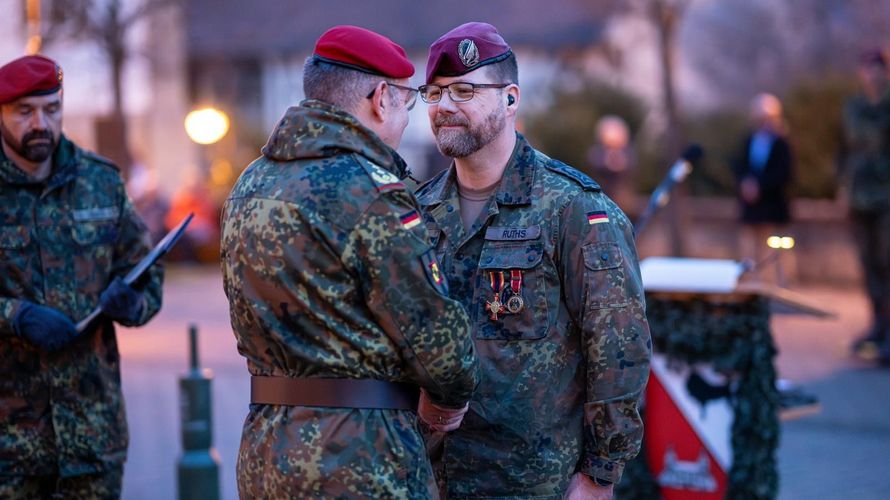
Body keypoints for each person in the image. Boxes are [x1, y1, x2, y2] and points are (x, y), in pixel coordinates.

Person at [219, 26, 480, 499]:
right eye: (408, 102)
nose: (405, 120)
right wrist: (448, 400)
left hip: (267, 451)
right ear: (382, 98)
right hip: (360, 459)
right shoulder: (370, 190)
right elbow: (438, 344)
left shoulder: (251, 184)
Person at [415, 22, 652, 499]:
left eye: (464, 90)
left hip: (539, 484)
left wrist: (599, 475)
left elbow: (618, 349)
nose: (444, 107)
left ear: (510, 98)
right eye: (434, 93)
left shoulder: (573, 207)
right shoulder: (417, 213)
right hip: (433, 479)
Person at [0, 54, 163, 498]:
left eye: (52, 110)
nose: (41, 124)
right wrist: (15, 315)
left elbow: (145, 266)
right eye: (24, 112)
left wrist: (135, 303)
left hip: (92, 437)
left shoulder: (99, 180)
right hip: (9, 446)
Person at [841, 48, 890, 364]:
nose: (871, 75)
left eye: (877, 69)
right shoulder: (853, 107)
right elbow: (842, 149)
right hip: (859, 197)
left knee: (887, 263)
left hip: (886, 197)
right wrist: (841, 185)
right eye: (866, 69)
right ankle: (878, 324)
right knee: (869, 265)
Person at [733, 93, 795, 284]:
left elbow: (784, 173)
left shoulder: (782, 143)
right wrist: (746, 184)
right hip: (752, 208)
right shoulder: (749, 140)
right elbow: (739, 165)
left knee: (774, 249)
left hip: (772, 207)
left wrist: (760, 186)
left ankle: (778, 284)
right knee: (749, 248)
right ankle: (751, 283)